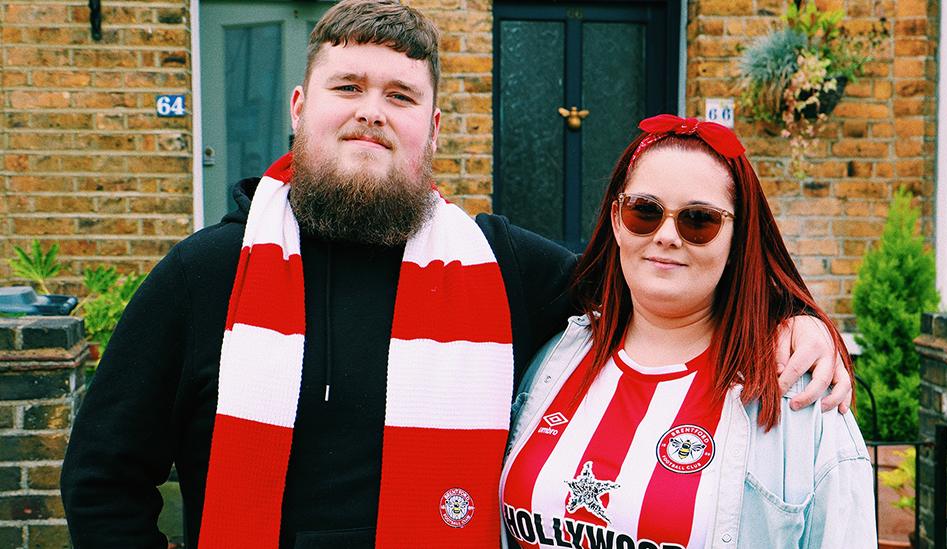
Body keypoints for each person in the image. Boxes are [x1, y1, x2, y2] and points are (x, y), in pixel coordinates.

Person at [60, 2, 851, 548]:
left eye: (401, 94)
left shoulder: (500, 266)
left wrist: (792, 315)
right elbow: (102, 474)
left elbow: (657, 277)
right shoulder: (205, 276)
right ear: (299, 107)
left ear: (432, 127)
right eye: (349, 87)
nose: (372, 109)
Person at [500, 115, 875, 549]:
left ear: (737, 241)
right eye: (644, 211)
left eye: (698, 221)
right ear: (617, 220)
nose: (666, 236)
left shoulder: (801, 398)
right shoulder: (556, 358)